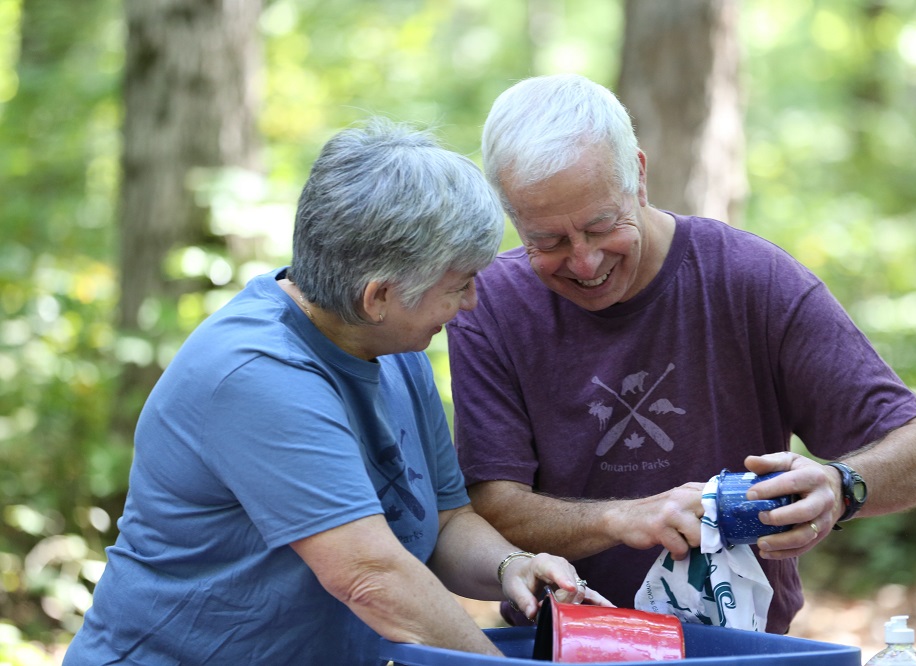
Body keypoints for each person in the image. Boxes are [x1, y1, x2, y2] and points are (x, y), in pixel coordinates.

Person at [64, 118, 610, 666]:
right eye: (459, 286)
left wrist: (510, 566)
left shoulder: (395, 345)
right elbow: (371, 577)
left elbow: (443, 520)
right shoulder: (257, 374)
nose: (470, 303)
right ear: (377, 296)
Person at [446, 74, 916, 634]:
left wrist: (841, 486)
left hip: (737, 644)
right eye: (549, 242)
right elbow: (492, 505)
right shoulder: (489, 303)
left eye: (600, 226)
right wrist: (626, 518)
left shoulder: (749, 279)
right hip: (559, 641)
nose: (585, 262)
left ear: (638, 176)